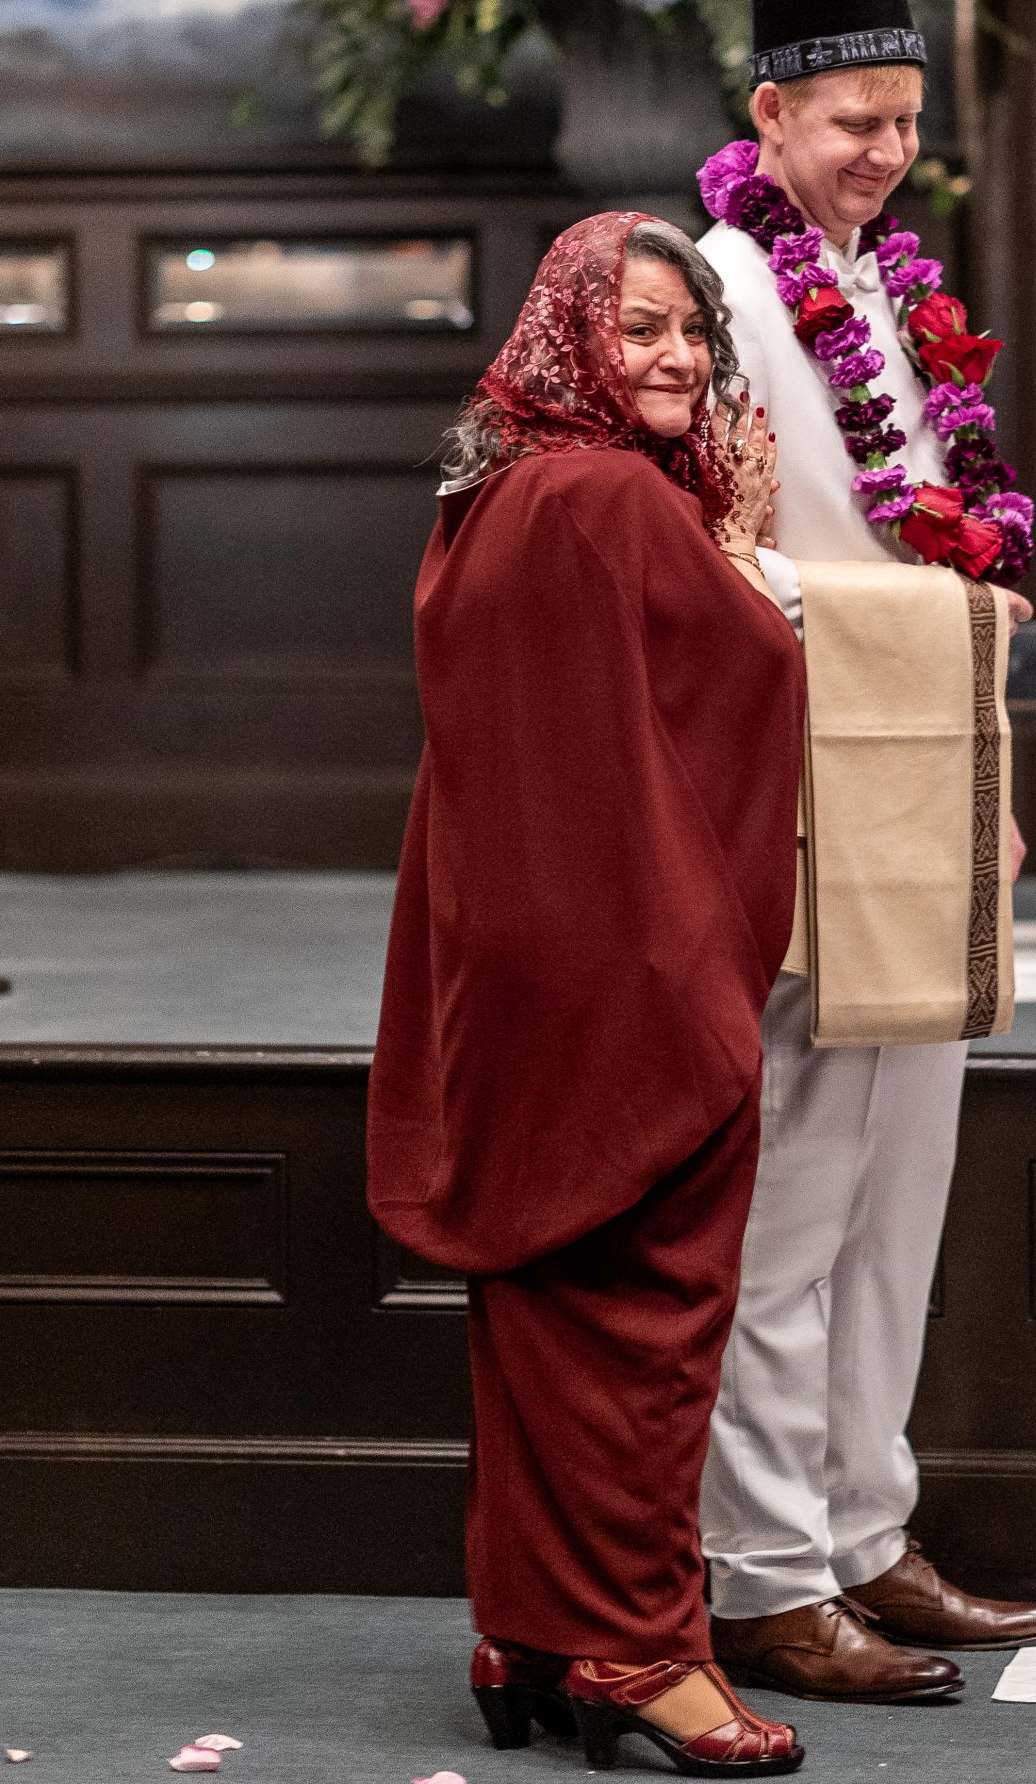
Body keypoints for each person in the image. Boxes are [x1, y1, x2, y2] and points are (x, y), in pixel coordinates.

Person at [367, 210, 808, 1776]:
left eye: (692, 329)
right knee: (648, 1312)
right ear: (574, 339)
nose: (679, 357)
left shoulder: (493, 492)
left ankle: (530, 1630)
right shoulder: (615, 500)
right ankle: (641, 1648)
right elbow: (746, 674)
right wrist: (743, 545)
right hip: (626, 965)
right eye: (641, 330)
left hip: (514, 962)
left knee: (546, 1306)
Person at [697, 0, 1036, 1706]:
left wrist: (986, 785)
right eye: (855, 120)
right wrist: (906, 630)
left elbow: (945, 547)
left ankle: (867, 1531)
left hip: (926, 767)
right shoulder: (709, 289)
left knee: (901, 1193)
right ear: (769, 111)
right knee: (796, 1197)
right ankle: (764, 1574)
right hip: (795, 779)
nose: (884, 152)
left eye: (906, 122)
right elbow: (695, 546)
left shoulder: (894, 286)